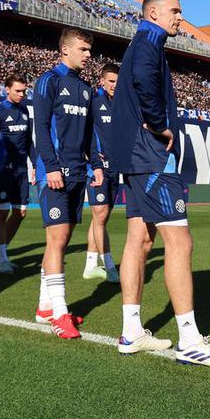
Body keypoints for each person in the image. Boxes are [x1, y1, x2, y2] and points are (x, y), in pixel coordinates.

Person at [109, 0, 210, 365]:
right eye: (175, 11)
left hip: (134, 156)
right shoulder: (148, 41)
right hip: (150, 155)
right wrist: (159, 124)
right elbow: (143, 80)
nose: (180, 17)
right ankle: (190, 340)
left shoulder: (144, 42)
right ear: (153, 13)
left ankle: (132, 332)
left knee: (139, 239)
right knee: (180, 242)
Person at [31, 27, 97, 339]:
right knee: (57, 240)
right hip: (55, 173)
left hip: (79, 172)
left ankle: (45, 307)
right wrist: (51, 167)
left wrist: (96, 165)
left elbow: (89, 134)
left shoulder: (85, 88)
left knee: (62, 240)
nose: (88, 55)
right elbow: (41, 128)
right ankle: (60, 313)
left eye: (89, 50)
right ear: (65, 49)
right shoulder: (49, 80)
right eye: (83, 49)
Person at [0, 73, 34, 273]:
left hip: (21, 169)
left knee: (20, 213)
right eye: (18, 91)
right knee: (2, 212)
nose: (22, 94)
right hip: (3, 170)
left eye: (24, 91)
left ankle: (0, 253)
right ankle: (3, 258)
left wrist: (35, 164)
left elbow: (28, 141)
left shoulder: (24, 110)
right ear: (7, 89)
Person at [82, 62, 121, 283]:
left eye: (117, 81)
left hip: (115, 168)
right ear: (102, 81)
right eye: (111, 81)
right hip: (96, 168)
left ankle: (90, 265)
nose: (114, 85)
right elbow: (85, 133)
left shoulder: (121, 104)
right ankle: (109, 264)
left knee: (100, 218)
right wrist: (92, 160)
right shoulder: (93, 101)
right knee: (101, 214)